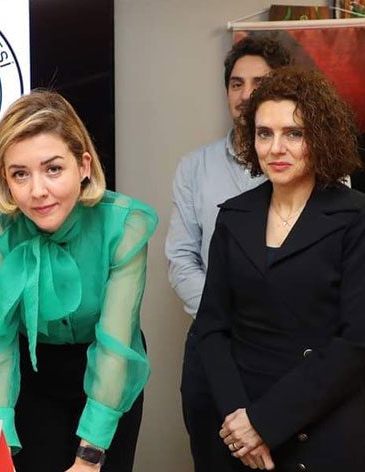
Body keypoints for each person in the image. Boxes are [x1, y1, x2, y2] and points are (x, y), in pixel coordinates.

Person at [0, 90, 157, 472]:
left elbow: (116, 344)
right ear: (5, 179)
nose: (37, 191)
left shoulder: (124, 225)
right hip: (34, 375)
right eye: (20, 174)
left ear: (83, 166)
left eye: (53, 169)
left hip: (109, 370)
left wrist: (90, 457)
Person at [196, 66, 365, 471]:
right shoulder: (233, 216)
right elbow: (211, 328)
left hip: (324, 422)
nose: (276, 148)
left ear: (320, 137)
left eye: (293, 133)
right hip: (239, 427)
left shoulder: (355, 216)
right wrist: (240, 421)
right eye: (264, 133)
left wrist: (265, 422)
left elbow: (357, 342)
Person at [165, 35, 292, 471]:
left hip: (284, 349)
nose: (245, 94)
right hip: (211, 345)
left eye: (259, 83)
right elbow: (181, 260)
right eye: (236, 84)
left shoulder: (302, 167)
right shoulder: (194, 168)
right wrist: (226, 315)